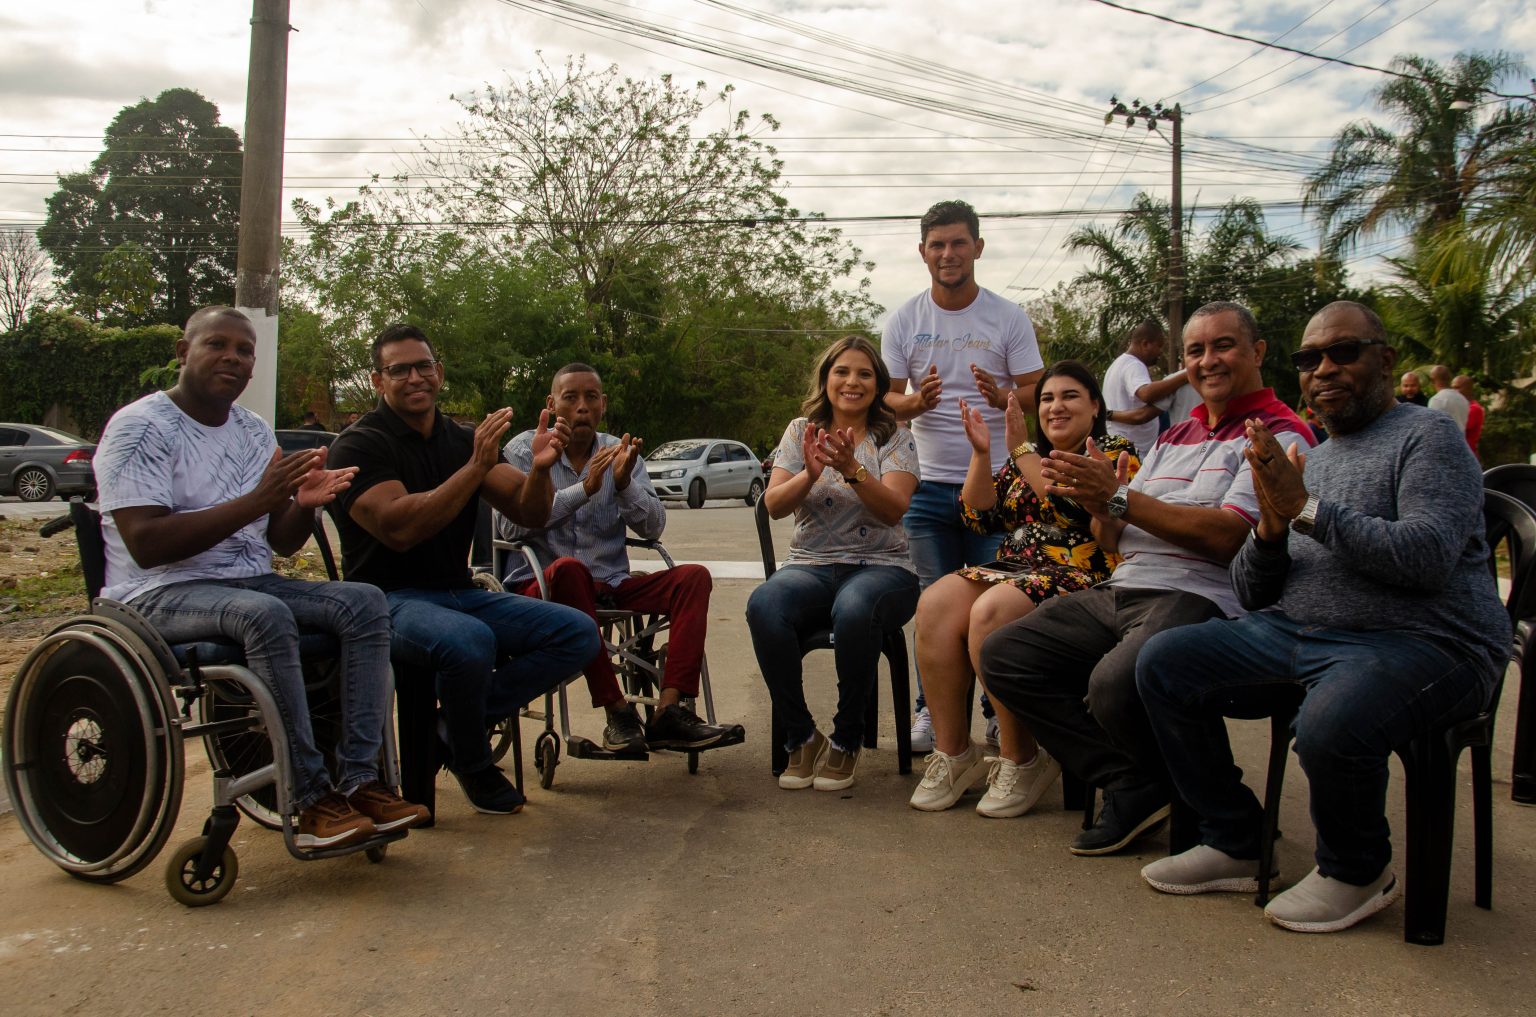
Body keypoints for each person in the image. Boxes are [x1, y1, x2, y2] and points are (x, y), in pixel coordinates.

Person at [1136, 301, 1508, 933]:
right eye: (1310, 359)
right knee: (1165, 662)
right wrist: (1270, 533)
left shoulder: (1428, 437)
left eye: (1344, 352)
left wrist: (1307, 510)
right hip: (1298, 631)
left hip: (1427, 641)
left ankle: (1357, 869)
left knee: (1331, 720)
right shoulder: (1318, 455)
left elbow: (1425, 558)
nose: (1324, 369)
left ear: (1385, 360)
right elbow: (1253, 592)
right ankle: (1235, 837)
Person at [977, 301, 1313, 856]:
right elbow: (1113, 537)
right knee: (1006, 654)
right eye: (1195, 351)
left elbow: (1229, 537)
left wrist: (1119, 501)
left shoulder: (1278, 433)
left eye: (1223, 346)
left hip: (1202, 594)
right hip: (1125, 585)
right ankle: (1134, 783)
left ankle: (1221, 815)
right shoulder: (1176, 434)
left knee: (1114, 683)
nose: (1208, 360)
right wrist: (1101, 504)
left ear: (1257, 352)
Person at [93, 306, 429, 849]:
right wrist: (258, 499)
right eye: (217, 344)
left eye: (244, 350)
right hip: (157, 593)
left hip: (248, 583)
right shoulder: (140, 426)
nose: (232, 357)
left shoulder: (252, 432)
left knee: (365, 601)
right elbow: (147, 544)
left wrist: (305, 505)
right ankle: (310, 796)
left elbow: (282, 541)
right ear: (183, 352)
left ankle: (361, 781)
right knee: (265, 614)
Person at [328, 324, 599, 816]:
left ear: (439, 372)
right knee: (469, 641)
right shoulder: (359, 445)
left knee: (578, 633)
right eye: (399, 370)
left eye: (423, 366)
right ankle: (473, 761)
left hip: (459, 592)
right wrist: (474, 468)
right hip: (385, 601)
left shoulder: (460, 440)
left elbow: (531, 512)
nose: (415, 378)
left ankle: (451, 728)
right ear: (377, 380)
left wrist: (540, 469)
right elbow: (400, 528)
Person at [909, 361, 1139, 817]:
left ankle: (1022, 757)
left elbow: (1075, 510)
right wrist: (981, 454)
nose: (1056, 406)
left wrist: (1019, 450)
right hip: (1016, 568)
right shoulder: (1027, 455)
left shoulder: (1112, 451)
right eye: (1048, 398)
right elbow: (978, 516)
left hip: (1084, 575)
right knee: (935, 602)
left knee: (991, 610)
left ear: (1095, 406)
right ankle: (954, 752)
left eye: (1070, 396)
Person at [498, 362, 742, 753]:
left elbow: (654, 527)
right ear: (551, 403)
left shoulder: (620, 450)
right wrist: (584, 489)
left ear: (603, 404)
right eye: (570, 397)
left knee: (693, 576)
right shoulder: (525, 449)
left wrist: (624, 484)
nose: (582, 406)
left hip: (611, 582)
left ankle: (669, 711)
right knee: (570, 570)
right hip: (544, 586)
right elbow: (509, 529)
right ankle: (617, 712)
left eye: (591, 397)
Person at [881, 199, 1046, 752]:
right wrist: (914, 404)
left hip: (997, 486)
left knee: (996, 604)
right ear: (922, 252)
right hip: (926, 488)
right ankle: (932, 713)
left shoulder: (1007, 316)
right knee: (934, 605)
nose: (947, 253)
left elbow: (1039, 390)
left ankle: (999, 713)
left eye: (958, 243)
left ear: (978, 247)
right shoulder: (905, 320)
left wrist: (1003, 397)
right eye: (937, 244)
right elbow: (885, 398)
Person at [747, 335, 921, 792]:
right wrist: (809, 473)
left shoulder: (896, 437)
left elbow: (894, 510)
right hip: (810, 566)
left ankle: (847, 739)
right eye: (842, 371)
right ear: (826, 380)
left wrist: (852, 469)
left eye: (864, 374)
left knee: (856, 607)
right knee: (764, 604)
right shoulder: (800, 431)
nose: (852, 382)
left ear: (878, 385)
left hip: (884, 569)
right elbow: (774, 505)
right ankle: (802, 736)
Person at [1101, 320, 1188, 458]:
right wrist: (1186, 375)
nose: (1160, 352)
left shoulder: (1119, 364)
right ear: (1145, 344)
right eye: (1159, 346)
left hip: (1122, 447)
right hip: (1132, 452)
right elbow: (1146, 394)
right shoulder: (1133, 365)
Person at [1426, 365, 1470, 432]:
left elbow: (1433, 427)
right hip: (1460, 437)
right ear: (1450, 379)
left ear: (1432, 380)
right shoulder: (1463, 399)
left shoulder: (1437, 400)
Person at [1453, 374, 1484, 457]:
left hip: (1467, 455)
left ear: (1468, 389)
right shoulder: (1461, 406)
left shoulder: (1474, 408)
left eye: (1457, 387)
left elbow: (1456, 427)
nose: (1453, 391)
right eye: (1452, 388)